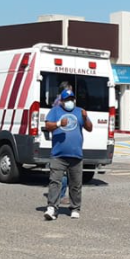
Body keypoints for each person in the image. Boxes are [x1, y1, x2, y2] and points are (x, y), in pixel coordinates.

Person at [43, 89, 93, 220]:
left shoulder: (80, 111)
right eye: (67, 99)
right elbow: (47, 126)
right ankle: (52, 208)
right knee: (55, 181)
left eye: (71, 99)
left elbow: (89, 128)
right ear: (62, 101)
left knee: (76, 184)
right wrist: (59, 124)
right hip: (58, 155)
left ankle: (75, 208)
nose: (70, 102)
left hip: (76, 155)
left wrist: (85, 118)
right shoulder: (55, 111)